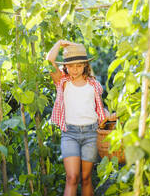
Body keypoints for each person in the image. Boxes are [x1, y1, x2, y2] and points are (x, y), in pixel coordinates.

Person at [46, 40, 116, 196]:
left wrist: (112, 115)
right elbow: (49, 61)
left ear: (85, 65)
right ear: (65, 66)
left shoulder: (94, 85)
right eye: (70, 66)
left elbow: (99, 110)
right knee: (72, 178)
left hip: (91, 134)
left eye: (78, 65)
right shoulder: (63, 82)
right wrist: (59, 43)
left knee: (85, 178)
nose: (75, 69)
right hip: (70, 134)